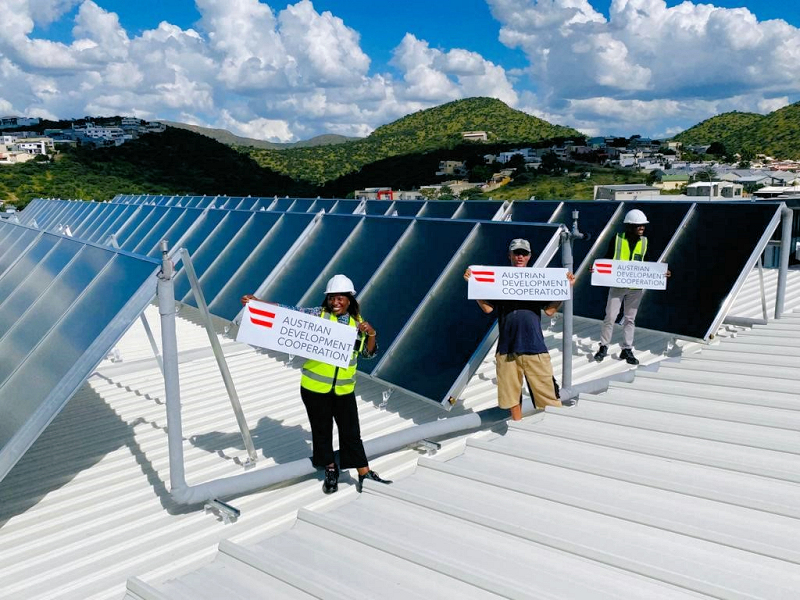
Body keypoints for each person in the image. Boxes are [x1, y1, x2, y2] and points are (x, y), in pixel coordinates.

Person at [241, 274, 391, 494]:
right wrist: (259, 303)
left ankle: (364, 472)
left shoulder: (358, 324)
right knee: (321, 431)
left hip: (343, 389)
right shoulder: (317, 315)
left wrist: (371, 333)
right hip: (314, 388)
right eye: (332, 298)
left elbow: (368, 354)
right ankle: (331, 470)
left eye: (340, 298)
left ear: (350, 299)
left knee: (351, 432)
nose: (335, 302)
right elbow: (287, 312)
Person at [464, 238, 575, 421]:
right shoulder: (500, 281)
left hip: (534, 346)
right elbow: (488, 309)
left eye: (524, 253)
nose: (520, 257)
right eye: (516, 253)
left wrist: (564, 289)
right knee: (511, 395)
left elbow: (549, 310)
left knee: (548, 393)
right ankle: (518, 425)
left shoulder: (538, 281)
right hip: (507, 349)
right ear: (510, 255)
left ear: (530, 256)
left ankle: (555, 427)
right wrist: (473, 286)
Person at [593, 208, 669, 365]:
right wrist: (597, 268)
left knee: (630, 319)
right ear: (629, 226)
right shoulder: (617, 239)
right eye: (638, 225)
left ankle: (626, 349)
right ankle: (603, 346)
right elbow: (608, 257)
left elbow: (648, 263)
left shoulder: (645, 242)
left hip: (635, 288)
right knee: (610, 317)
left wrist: (661, 273)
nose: (642, 228)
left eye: (643, 225)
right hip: (617, 285)